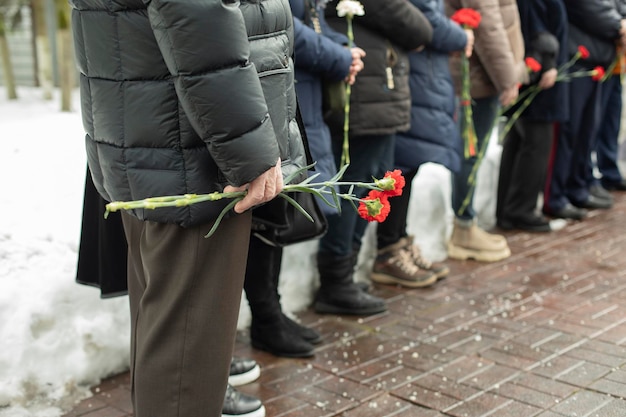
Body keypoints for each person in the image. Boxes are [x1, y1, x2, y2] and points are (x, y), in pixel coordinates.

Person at [70, 2, 308, 417]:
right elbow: (200, 26)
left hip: (156, 141)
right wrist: (251, 154)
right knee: (184, 358)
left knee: (165, 339)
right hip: (192, 157)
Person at [76, 169, 268, 417]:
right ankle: (199, 385)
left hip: (152, 163)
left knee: (160, 314)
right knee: (181, 327)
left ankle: (208, 379)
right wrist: (252, 162)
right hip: (190, 170)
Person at [243, 0, 363, 358]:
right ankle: (265, 319)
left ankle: (270, 313)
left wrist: (339, 48)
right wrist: (338, 56)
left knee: (274, 211)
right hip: (271, 86)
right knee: (262, 217)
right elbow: (280, 26)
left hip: (291, 90)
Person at [317, 0, 433, 313]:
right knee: (353, 188)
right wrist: (421, 27)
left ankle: (344, 276)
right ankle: (335, 283)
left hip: (377, 92)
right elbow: (415, 26)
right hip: (365, 94)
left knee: (369, 185)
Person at [371, 0, 472, 288]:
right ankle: (388, 250)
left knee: (408, 165)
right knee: (401, 163)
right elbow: (425, 24)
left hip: (421, 75)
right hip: (411, 74)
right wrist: (462, 36)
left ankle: (399, 240)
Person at [445, 0, 528, 262]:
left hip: (483, 72)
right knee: (471, 151)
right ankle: (463, 229)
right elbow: (488, 25)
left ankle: (466, 224)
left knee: (473, 151)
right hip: (481, 73)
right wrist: (507, 78)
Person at [543, 0, 626, 220]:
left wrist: (621, 20)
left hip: (598, 57)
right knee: (568, 130)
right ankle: (556, 196)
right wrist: (618, 26)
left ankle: (577, 187)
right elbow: (588, 6)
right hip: (576, 54)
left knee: (587, 129)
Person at [496, 0, 569, 233]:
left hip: (529, 63)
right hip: (537, 68)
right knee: (536, 142)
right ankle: (521, 210)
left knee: (519, 141)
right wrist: (547, 62)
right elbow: (534, 22)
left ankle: (508, 210)